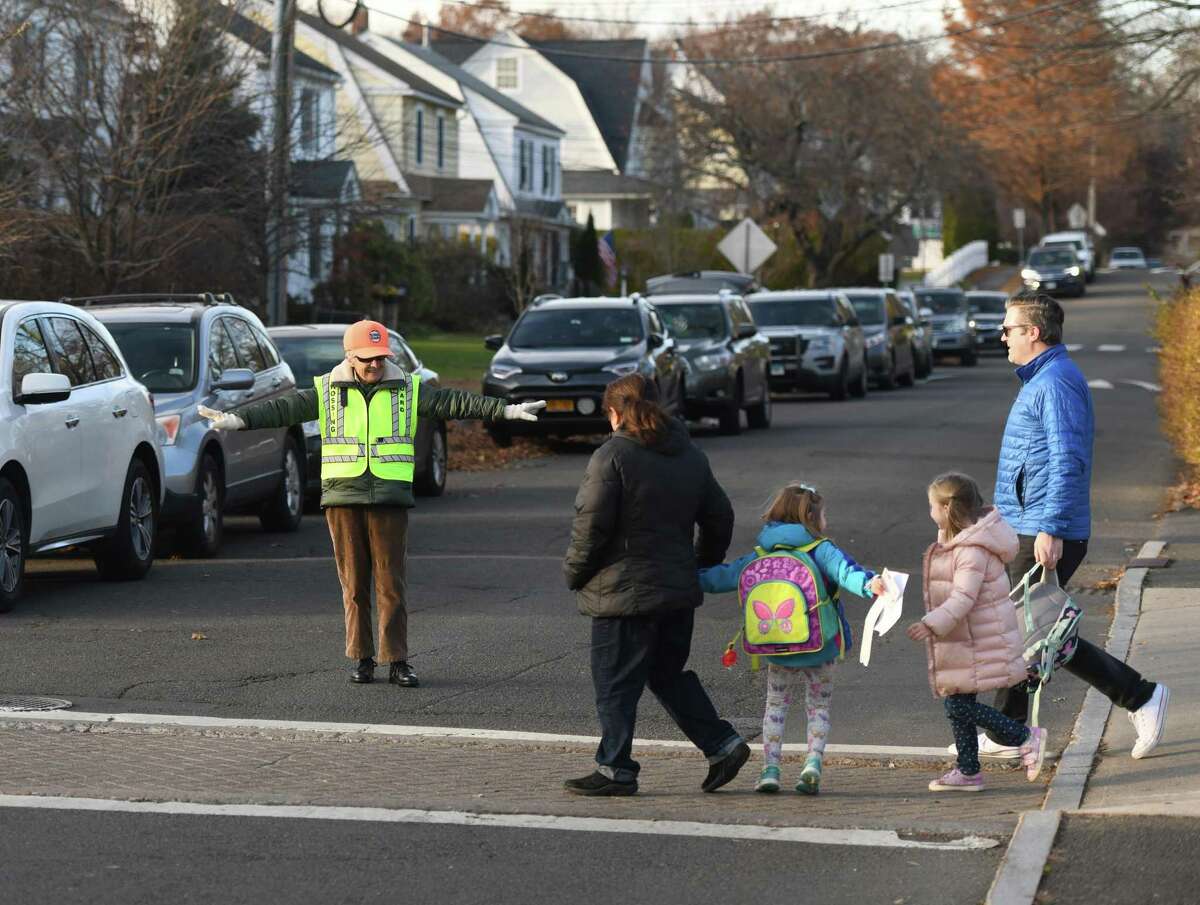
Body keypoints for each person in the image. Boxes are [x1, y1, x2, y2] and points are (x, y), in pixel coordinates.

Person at [198, 320, 545, 688]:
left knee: (391, 583)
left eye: (380, 359)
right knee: (353, 584)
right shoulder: (327, 389)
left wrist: (505, 411)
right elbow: (283, 409)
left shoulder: (408, 388)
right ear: (350, 357)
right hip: (343, 498)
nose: (375, 366)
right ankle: (362, 658)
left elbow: (453, 401)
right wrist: (239, 419)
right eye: (367, 360)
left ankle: (396, 660)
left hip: (388, 497)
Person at [980, 291, 1168, 759]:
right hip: (1029, 524)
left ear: (1033, 333)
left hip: (1044, 529)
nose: (1002, 335)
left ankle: (1140, 695)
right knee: (1033, 632)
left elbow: (1068, 461)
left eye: (1009, 328)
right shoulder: (1042, 379)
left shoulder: (1055, 383)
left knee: (1037, 632)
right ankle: (1008, 732)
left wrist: (1051, 529)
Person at [562, 374, 749, 797]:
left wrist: (574, 573)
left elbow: (590, 527)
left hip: (623, 594)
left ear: (613, 413)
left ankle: (616, 769)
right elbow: (720, 517)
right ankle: (722, 744)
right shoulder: (690, 455)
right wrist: (698, 563)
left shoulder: (612, 457)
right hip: (675, 591)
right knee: (667, 674)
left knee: (614, 683)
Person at [701, 482, 887, 795]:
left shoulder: (761, 553)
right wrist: (872, 585)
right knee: (818, 707)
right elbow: (846, 572)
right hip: (820, 643)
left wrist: (686, 576)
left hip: (776, 644)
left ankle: (770, 770)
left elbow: (724, 577)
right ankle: (812, 763)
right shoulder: (821, 549)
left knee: (775, 706)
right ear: (813, 519)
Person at [907, 473, 1047, 792]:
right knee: (958, 698)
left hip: (977, 636)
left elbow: (963, 598)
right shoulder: (958, 540)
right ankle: (968, 770)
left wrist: (932, 623)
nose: (929, 512)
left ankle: (1024, 737)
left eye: (932, 505)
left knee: (957, 705)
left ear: (946, 507)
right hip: (964, 635)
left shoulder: (971, 550)